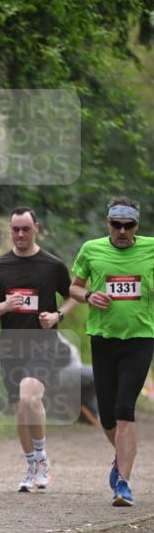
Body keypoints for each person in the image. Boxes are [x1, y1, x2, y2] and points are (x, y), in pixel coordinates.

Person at [0, 206, 76, 492]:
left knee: (30, 395)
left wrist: (58, 316)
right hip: (10, 346)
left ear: (36, 228)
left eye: (25, 228)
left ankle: (43, 458)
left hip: (43, 343)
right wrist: (4, 306)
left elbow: (74, 296)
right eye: (15, 229)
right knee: (20, 408)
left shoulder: (52, 265)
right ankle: (31, 465)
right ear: (10, 231)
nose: (20, 234)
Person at [69, 196, 154, 507]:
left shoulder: (150, 248)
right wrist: (89, 295)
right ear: (108, 224)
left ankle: (123, 484)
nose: (121, 231)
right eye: (116, 225)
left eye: (127, 225)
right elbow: (73, 287)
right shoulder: (91, 249)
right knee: (107, 417)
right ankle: (122, 455)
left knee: (123, 410)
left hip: (141, 339)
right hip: (103, 339)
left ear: (136, 225)